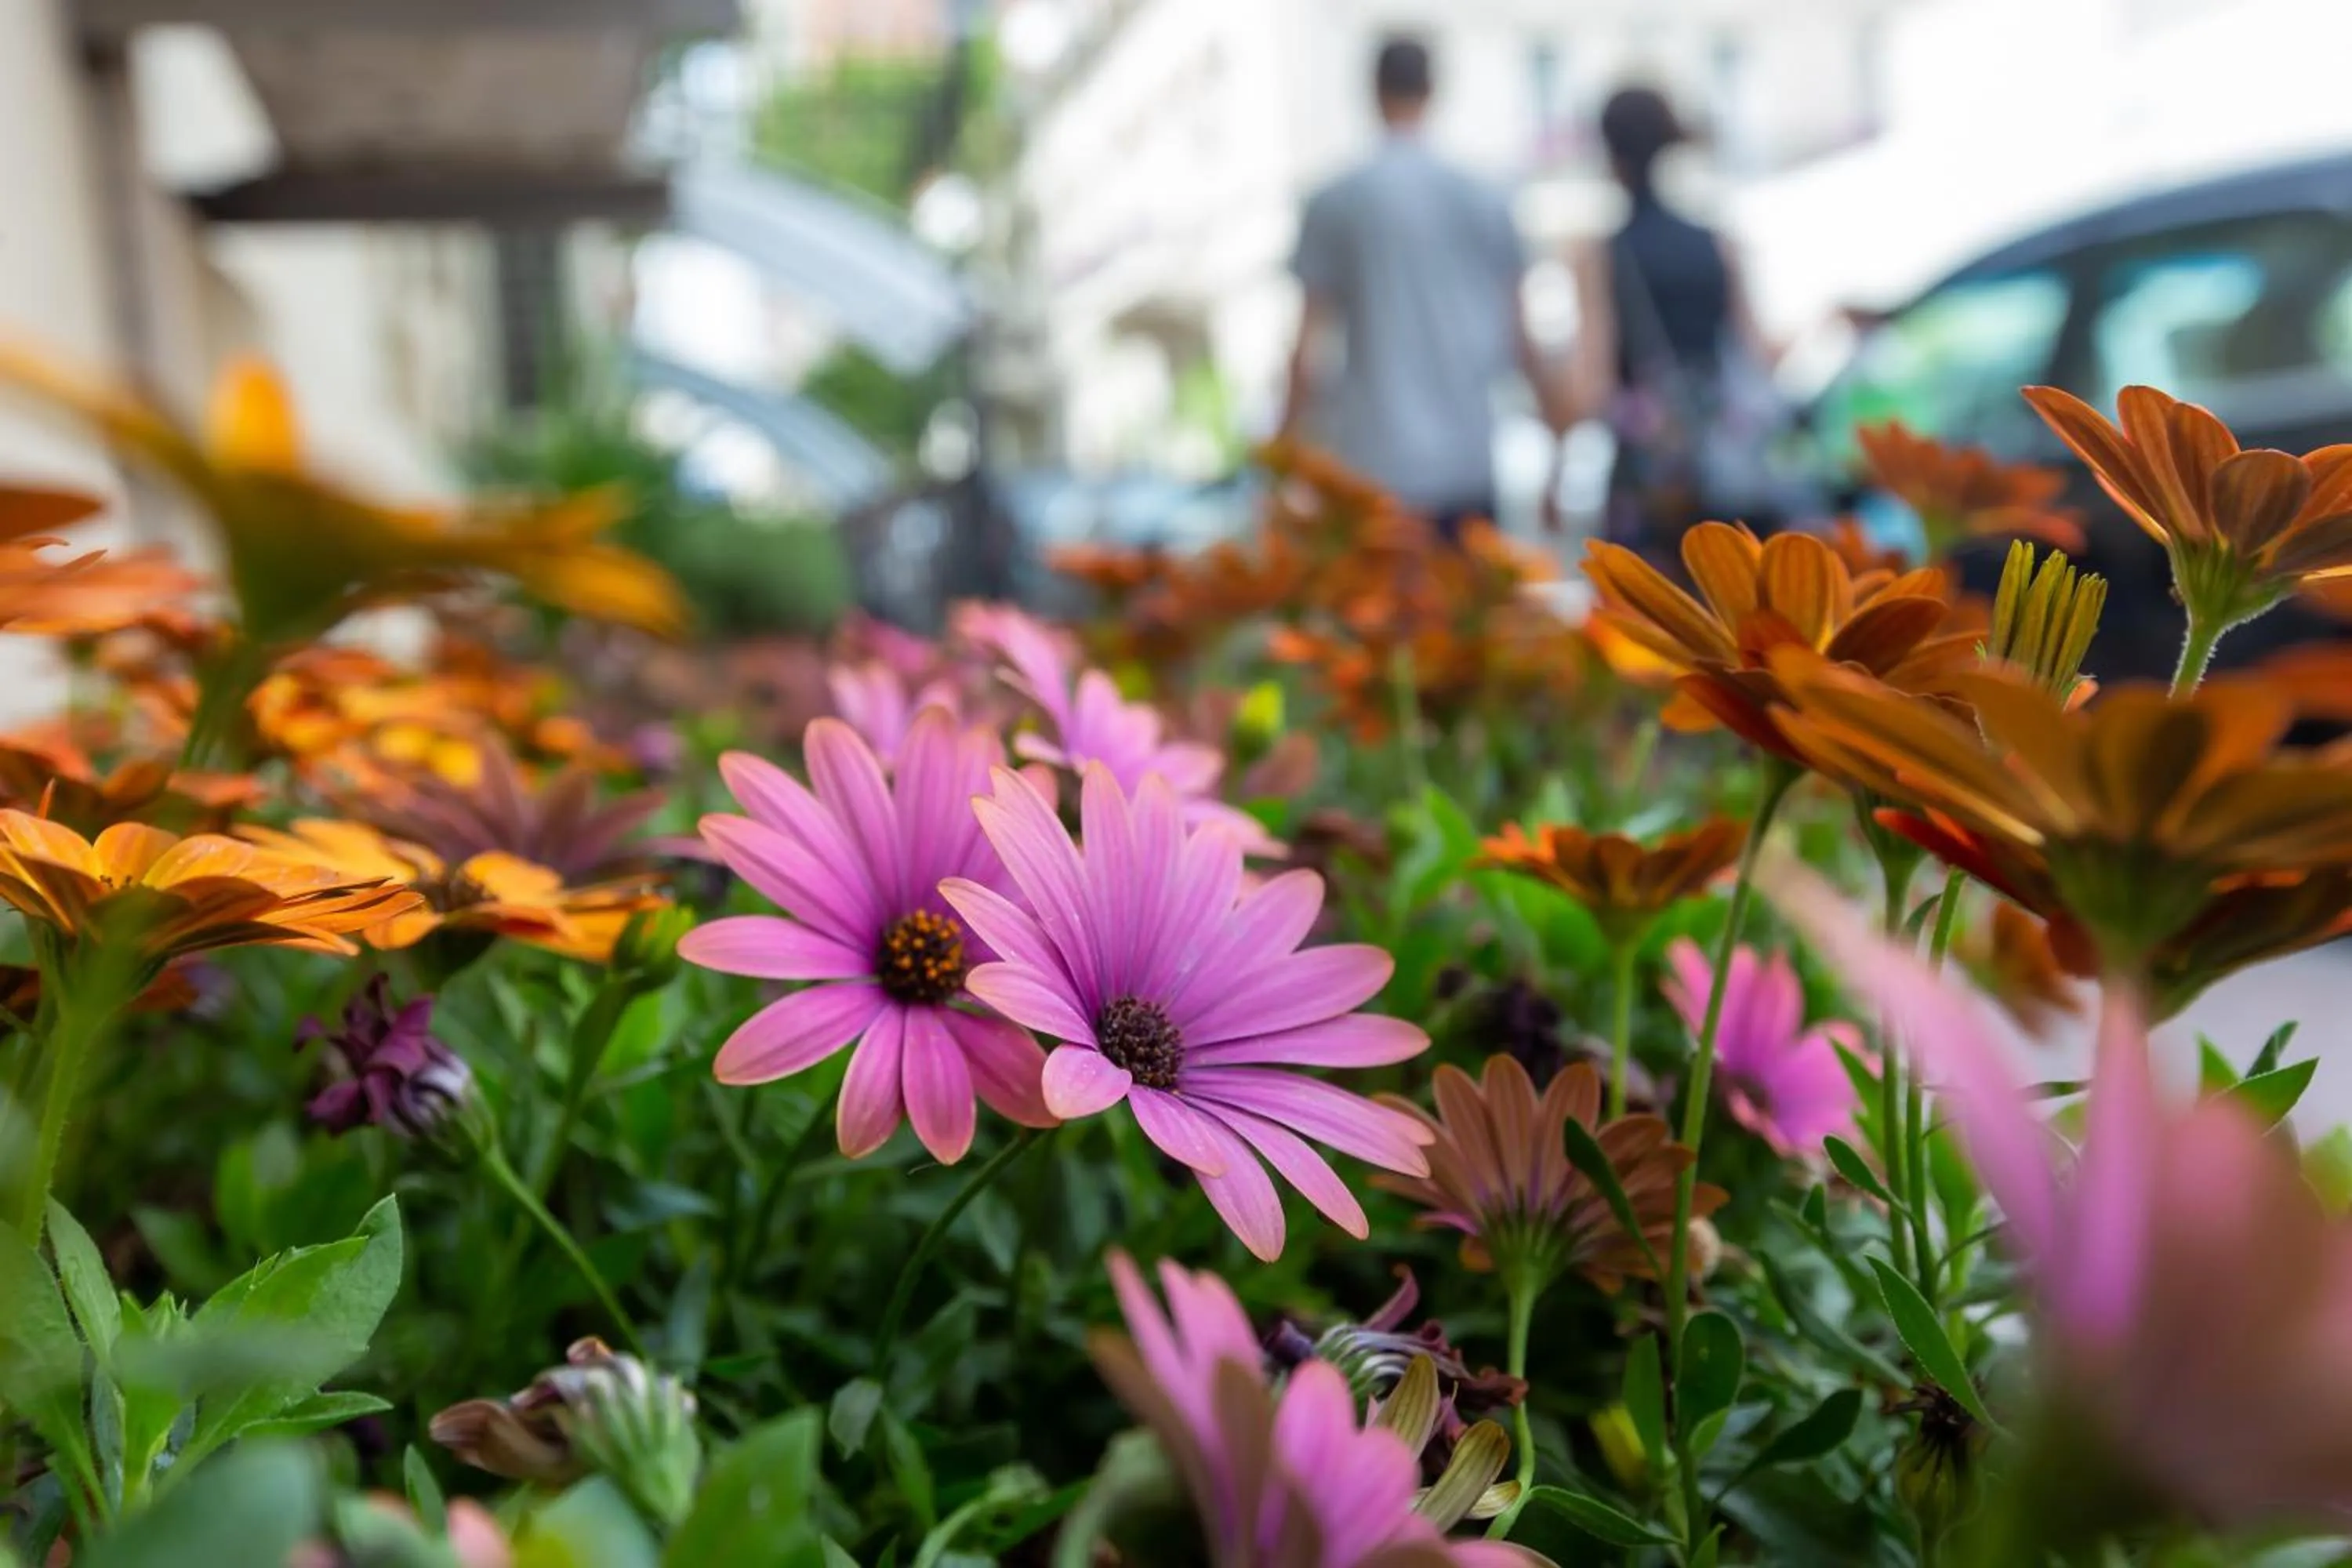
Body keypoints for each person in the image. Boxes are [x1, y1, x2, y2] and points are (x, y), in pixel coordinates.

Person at [1279, 37, 1566, 539]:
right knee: (1466, 614)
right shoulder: (1486, 196)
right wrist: (1556, 465)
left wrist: (1280, 464)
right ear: (1434, 89)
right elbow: (1524, 342)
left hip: (1370, 463)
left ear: (1373, 90)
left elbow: (1307, 351)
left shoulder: (1337, 199)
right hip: (1468, 458)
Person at [1568, 85, 1787, 555]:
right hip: (1726, 477)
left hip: (1647, 489)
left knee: (1644, 621)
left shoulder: (1602, 255)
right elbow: (1763, 356)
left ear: (1610, 153)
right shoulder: (1717, 243)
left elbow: (1591, 388)